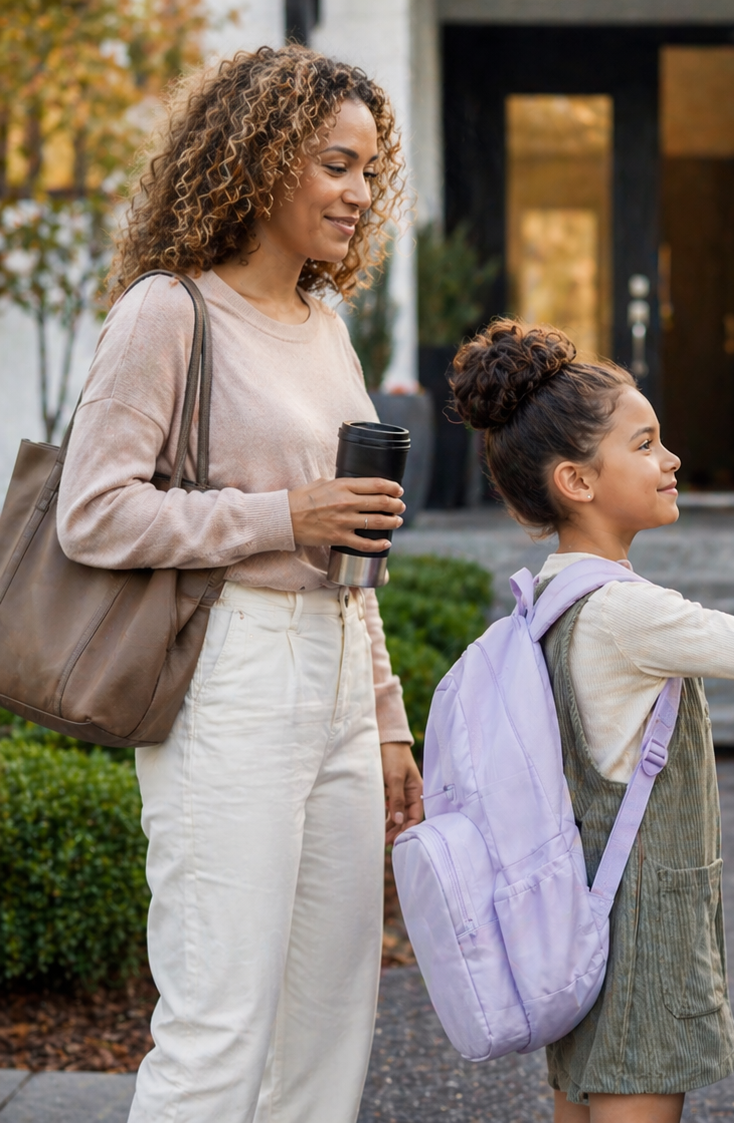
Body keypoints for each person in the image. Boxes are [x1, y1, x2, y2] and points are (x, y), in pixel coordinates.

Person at [56, 47, 424, 1122]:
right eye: (335, 166)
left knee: (326, 1031)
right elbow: (92, 511)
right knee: (219, 1028)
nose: (360, 193)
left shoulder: (328, 327)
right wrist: (282, 517)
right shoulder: (170, 312)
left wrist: (387, 714)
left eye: (369, 171)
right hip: (225, 670)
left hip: (336, 678)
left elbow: (354, 558)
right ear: (260, 161)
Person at [451, 319, 734, 1123]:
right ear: (577, 482)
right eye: (646, 444)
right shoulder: (625, 611)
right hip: (640, 940)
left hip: (577, 926)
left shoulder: (550, 599)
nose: (672, 460)